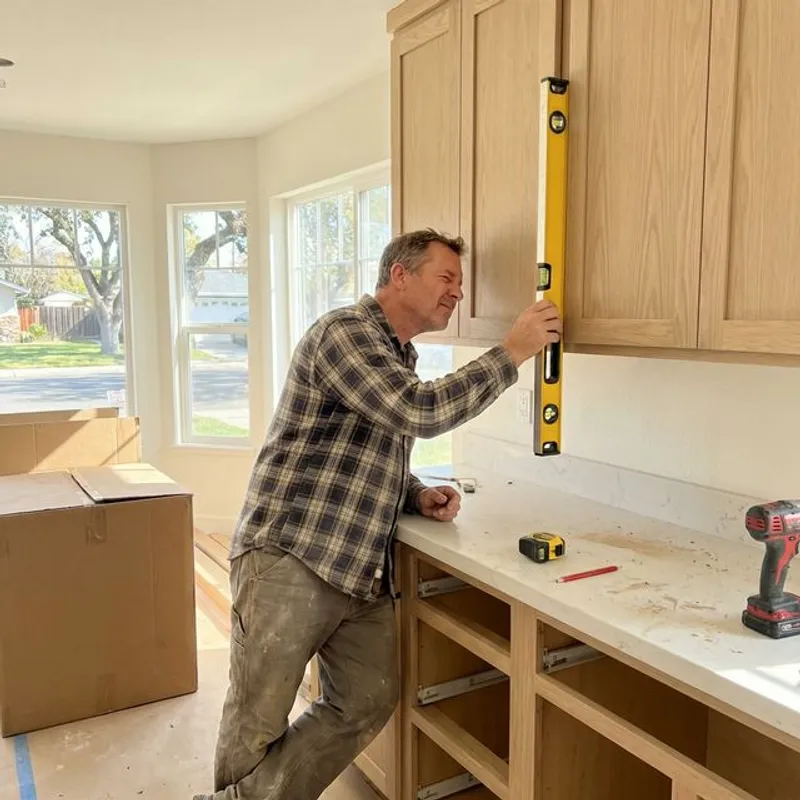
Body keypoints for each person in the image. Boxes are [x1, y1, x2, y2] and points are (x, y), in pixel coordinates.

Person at [195, 228, 562, 800]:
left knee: (366, 699)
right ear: (399, 275)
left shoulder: (398, 354)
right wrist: (512, 350)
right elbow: (417, 410)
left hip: (357, 566)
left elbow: (368, 443)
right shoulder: (345, 333)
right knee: (256, 722)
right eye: (446, 279)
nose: (456, 294)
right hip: (292, 555)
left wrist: (414, 493)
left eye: (460, 285)